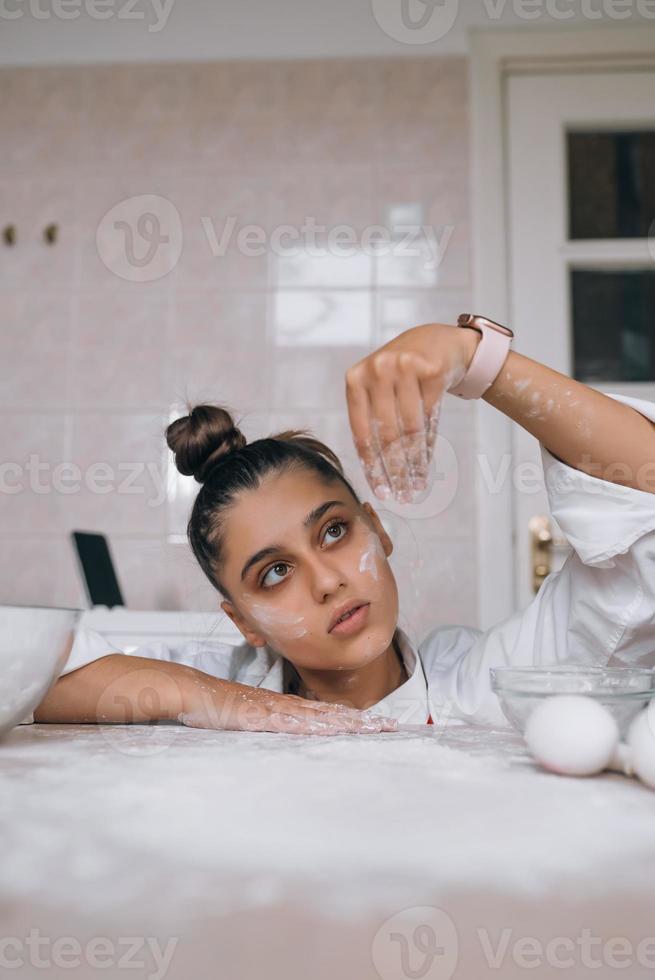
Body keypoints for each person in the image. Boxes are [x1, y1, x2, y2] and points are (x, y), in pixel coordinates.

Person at [33, 321, 655, 734]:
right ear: (244, 621)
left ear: (377, 532)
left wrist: (476, 360)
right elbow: (34, 681)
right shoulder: (223, 684)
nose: (328, 581)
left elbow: (641, 487)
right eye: (275, 572)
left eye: (333, 532)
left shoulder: (485, 684)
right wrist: (227, 701)